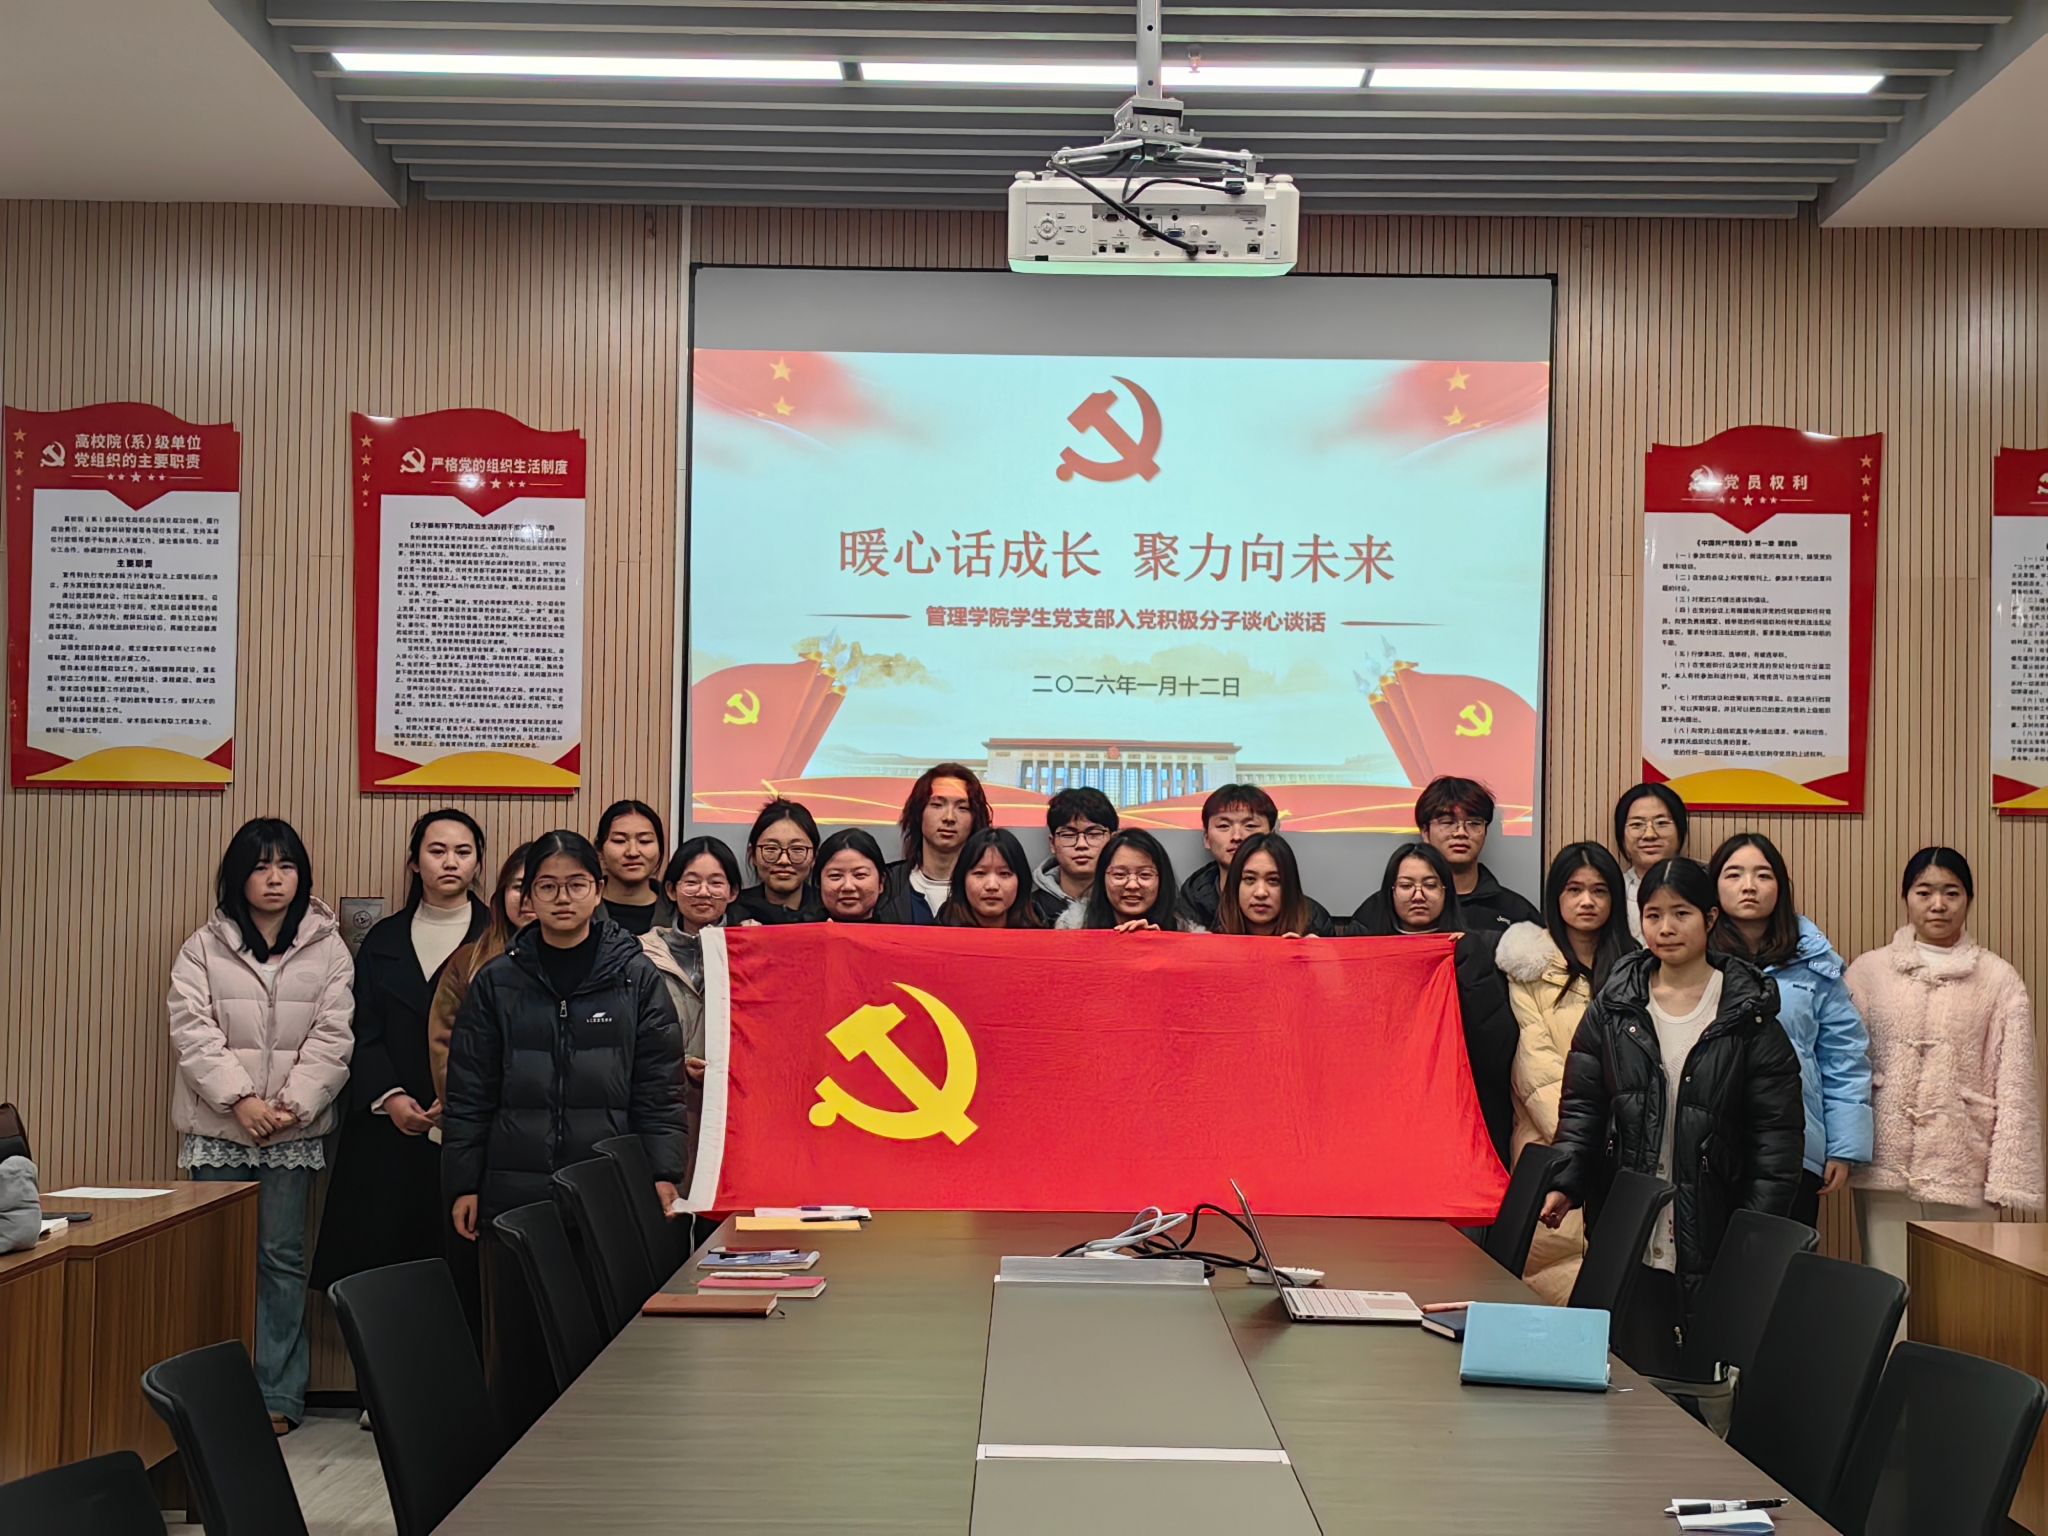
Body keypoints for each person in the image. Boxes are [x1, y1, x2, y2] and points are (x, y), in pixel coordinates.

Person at [442, 830, 685, 1434]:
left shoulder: (636, 979)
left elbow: (659, 1088)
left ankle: (609, 1453)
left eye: (575, 885)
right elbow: (469, 1093)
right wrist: (464, 1182)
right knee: (519, 1344)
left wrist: (663, 1171)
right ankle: (515, 1463)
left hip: (607, 1190)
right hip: (513, 1189)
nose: (561, 898)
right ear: (527, 897)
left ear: (598, 890)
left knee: (605, 1333)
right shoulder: (497, 982)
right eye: (545, 887)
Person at [1540, 858, 1803, 1372]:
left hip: (1714, 1220)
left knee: (1703, 1372)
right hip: (1629, 1214)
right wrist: (1565, 1181)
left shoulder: (1747, 1013)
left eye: (1681, 913)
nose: (1665, 928)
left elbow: (1777, 1139)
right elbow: (1583, 1107)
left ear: (1710, 918)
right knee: (1627, 1367)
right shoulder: (1615, 1006)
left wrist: (1754, 1232)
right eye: (1653, 915)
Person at [168, 817, 354, 1435]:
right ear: (237, 876)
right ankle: (213, 1396)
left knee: (281, 1258)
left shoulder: (328, 947)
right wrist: (241, 1100)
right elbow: (192, 1032)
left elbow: (334, 1037)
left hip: (291, 1131)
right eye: (260, 867)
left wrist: (292, 1106)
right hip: (220, 1128)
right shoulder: (203, 946)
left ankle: (277, 1393)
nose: (274, 879)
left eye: (286, 866)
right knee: (215, 1259)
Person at [314, 810, 488, 1311]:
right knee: (384, 1283)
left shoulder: (497, 938)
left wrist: (457, 1099)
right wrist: (390, 1097)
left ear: (478, 864)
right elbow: (360, 1027)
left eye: (463, 852)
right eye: (437, 851)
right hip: (387, 1129)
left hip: (469, 1130)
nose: (450, 862)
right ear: (414, 863)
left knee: (465, 1279)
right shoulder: (383, 939)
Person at [1848, 847, 2043, 1289]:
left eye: (1951, 892)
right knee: (1887, 1288)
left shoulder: (1999, 979)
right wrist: (1843, 1147)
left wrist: (2007, 1177)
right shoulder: (1868, 972)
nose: (1938, 904)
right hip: (1885, 1162)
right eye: (1924, 892)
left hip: (1965, 1161)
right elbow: (1844, 1066)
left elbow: (2016, 1084)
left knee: (1963, 1294)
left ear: (1969, 899)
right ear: (1906, 897)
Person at [1708, 832, 1873, 1228]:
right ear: (1713, 886)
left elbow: (1843, 1056)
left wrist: (1843, 1147)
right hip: (1708, 1145)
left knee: (1780, 1259)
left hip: (1794, 1145)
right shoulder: (1695, 959)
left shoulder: (1814, 963)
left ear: (1781, 887)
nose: (1749, 886)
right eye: (1734, 874)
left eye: (1763, 875)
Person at [1497, 842, 1636, 1303]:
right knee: (1547, 1279)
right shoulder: (1528, 969)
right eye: (1574, 890)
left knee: (1616, 1287)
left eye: (1599, 890)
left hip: (1624, 1152)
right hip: (1551, 1144)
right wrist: (1588, 1142)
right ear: (1556, 896)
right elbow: (1534, 1067)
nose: (1586, 901)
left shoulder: (1636, 970)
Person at [1355, 841, 1518, 1164]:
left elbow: (1497, 1048)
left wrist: (1469, 962)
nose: (1418, 895)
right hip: (1387, 1113)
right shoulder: (1366, 952)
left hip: (1459, 1112)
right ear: (1390, 892)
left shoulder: (1475, 949)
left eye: (1430, 885)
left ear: (1446, 892)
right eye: (1407, 885)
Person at [641, 837, 743, 1195]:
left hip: (735, 1113)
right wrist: (678, 1063)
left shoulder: (755, 951)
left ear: (733, 892)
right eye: (691, 881)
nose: (703, 892)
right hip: (664, 1109)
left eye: (716, 882)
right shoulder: (640, 954)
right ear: (671, 890)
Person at [1349, 777, 1539, 934]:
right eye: (1447, 822)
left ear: (1485, 831)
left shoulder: (1515, 912)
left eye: (1474, 823)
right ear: (1425, 831)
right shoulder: (1380, 910)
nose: (1461, 833)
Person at [428, 842, 532, 1108]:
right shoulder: (468, 960)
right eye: (519, 887)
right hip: (480, 1115)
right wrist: (467, 1107)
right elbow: (444, 1045)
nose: (528, 898)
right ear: (502, 894)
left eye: (541, 886)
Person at [1175, 782, 1333, 932]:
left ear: (1273, 835)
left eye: (1250, 826)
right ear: (1206, 838)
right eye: (1224, 826)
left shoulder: (1312, 920)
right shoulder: (1187, 911)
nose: (1237, 836)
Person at [879, 764, 992, 924]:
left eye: (963, 808)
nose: (949, 818)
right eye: (937, 805)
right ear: (918, 813)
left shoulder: (991, 889)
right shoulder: (886, 885)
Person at [1059, 829, 1200, 932]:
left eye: (1145, 875)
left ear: (1162, 881)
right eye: (1119, 874)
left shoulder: (1190, 938)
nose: (1132, 885)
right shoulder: (1071, 929)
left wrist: (1158, 946)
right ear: (1102, 879)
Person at [1613, 782, 1690, 941]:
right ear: (1621, 836)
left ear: (1680, 831)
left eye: (1661, 823)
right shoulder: (1611, 892)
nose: (1649, 835)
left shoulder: (1702, 886)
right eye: (1636, 825)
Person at [1215, 832, 1329, 937]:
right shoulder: (1216, 932)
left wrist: (1315, 950)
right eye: (1250, 879)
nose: (1260, 893)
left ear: (1289, 887)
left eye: (1273, 880)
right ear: (1235, 885)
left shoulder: (1317, 926)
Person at [1031, 787, 1117, 926]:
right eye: (1068, 835)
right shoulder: (1029, 910)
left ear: (1113, 841)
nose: (1081, 844)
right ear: (1052, 843)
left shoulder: (1127, 904)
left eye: (1094, 834)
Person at [734, 798, 823, 925]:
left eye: (797, 849)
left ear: (814, 857)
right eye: (771, 849)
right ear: (752, 854)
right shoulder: (732, 914)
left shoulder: (829, 912)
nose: (783, 860)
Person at [941, 827, 1048, 929]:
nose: (992, 886)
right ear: (961, 880)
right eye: (980, 873)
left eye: (1004, 874)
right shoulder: (937, 932)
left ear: (1021, 881)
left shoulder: (1044, 937)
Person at [595, 798, 673, 936]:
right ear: (600, 849)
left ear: (660, 848)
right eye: (619, 841)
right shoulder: (581, 908)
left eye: (644, 841)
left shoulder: (679, 912)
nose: (632, 852)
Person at [815, 828, 891, 923]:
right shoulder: (801, 929)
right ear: (819, 883)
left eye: (860, 875)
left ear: (881, 883)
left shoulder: (899, 931)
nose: (848, 886)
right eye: (835, 876)